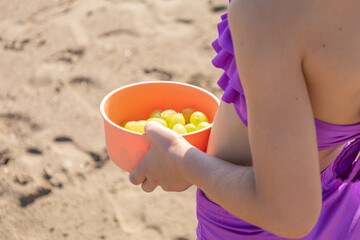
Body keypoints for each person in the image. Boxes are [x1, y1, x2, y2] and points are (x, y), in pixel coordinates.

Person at [129, 0, 360, 239]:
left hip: (253, 224)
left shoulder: (268, 10)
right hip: (343, 202)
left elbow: (286, 214)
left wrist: (180, 161)